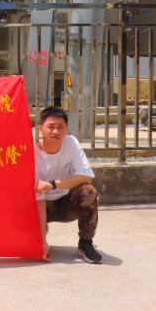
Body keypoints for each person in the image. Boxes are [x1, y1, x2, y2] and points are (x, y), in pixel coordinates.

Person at [33, 106, 103, 264]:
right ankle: (40, 231)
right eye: (51, 127)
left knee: (89, 192)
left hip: (65, 204)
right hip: (41, 206)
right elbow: (38, 199)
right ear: (41, 128)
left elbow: (86, 176)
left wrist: (53, 184)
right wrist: (42, 240)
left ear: (66, 129)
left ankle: (85, 244)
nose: (56, 131)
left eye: (60, 127)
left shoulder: (71, 143)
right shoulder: (33, 154)